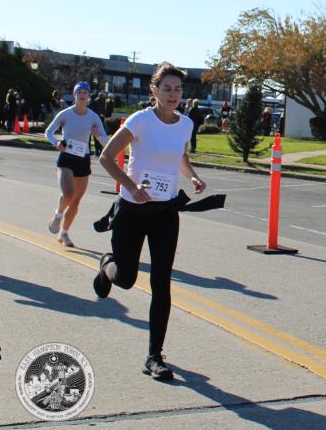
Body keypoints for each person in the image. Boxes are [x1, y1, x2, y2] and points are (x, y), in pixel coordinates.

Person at [94, 62, 206, 380]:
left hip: (165, 213)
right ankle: (107, 265)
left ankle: (154, 356)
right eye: (167, 88)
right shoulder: (140, 121)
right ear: (154, 91)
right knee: (126, 278)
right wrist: (131, 187)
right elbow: (106, 157)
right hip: (132, 210)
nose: (173, 94)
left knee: (161, 282)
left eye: (178, 89)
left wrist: (192, 176)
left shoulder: (185, 124)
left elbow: (179, 155)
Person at [44, 82, 109, 247]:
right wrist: (56, 143)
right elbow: (48, 132)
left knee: (76, 201)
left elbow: (106, 141)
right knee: (68, 194)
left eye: (85, 93)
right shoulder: (66, 114)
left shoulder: (93, 117)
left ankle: (64, 233)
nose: (82, 95)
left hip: (83, 159)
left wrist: (97, 136)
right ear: (74, 95)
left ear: (89, 97)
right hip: (66, 157)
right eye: (79, 92)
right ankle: (58, 215)